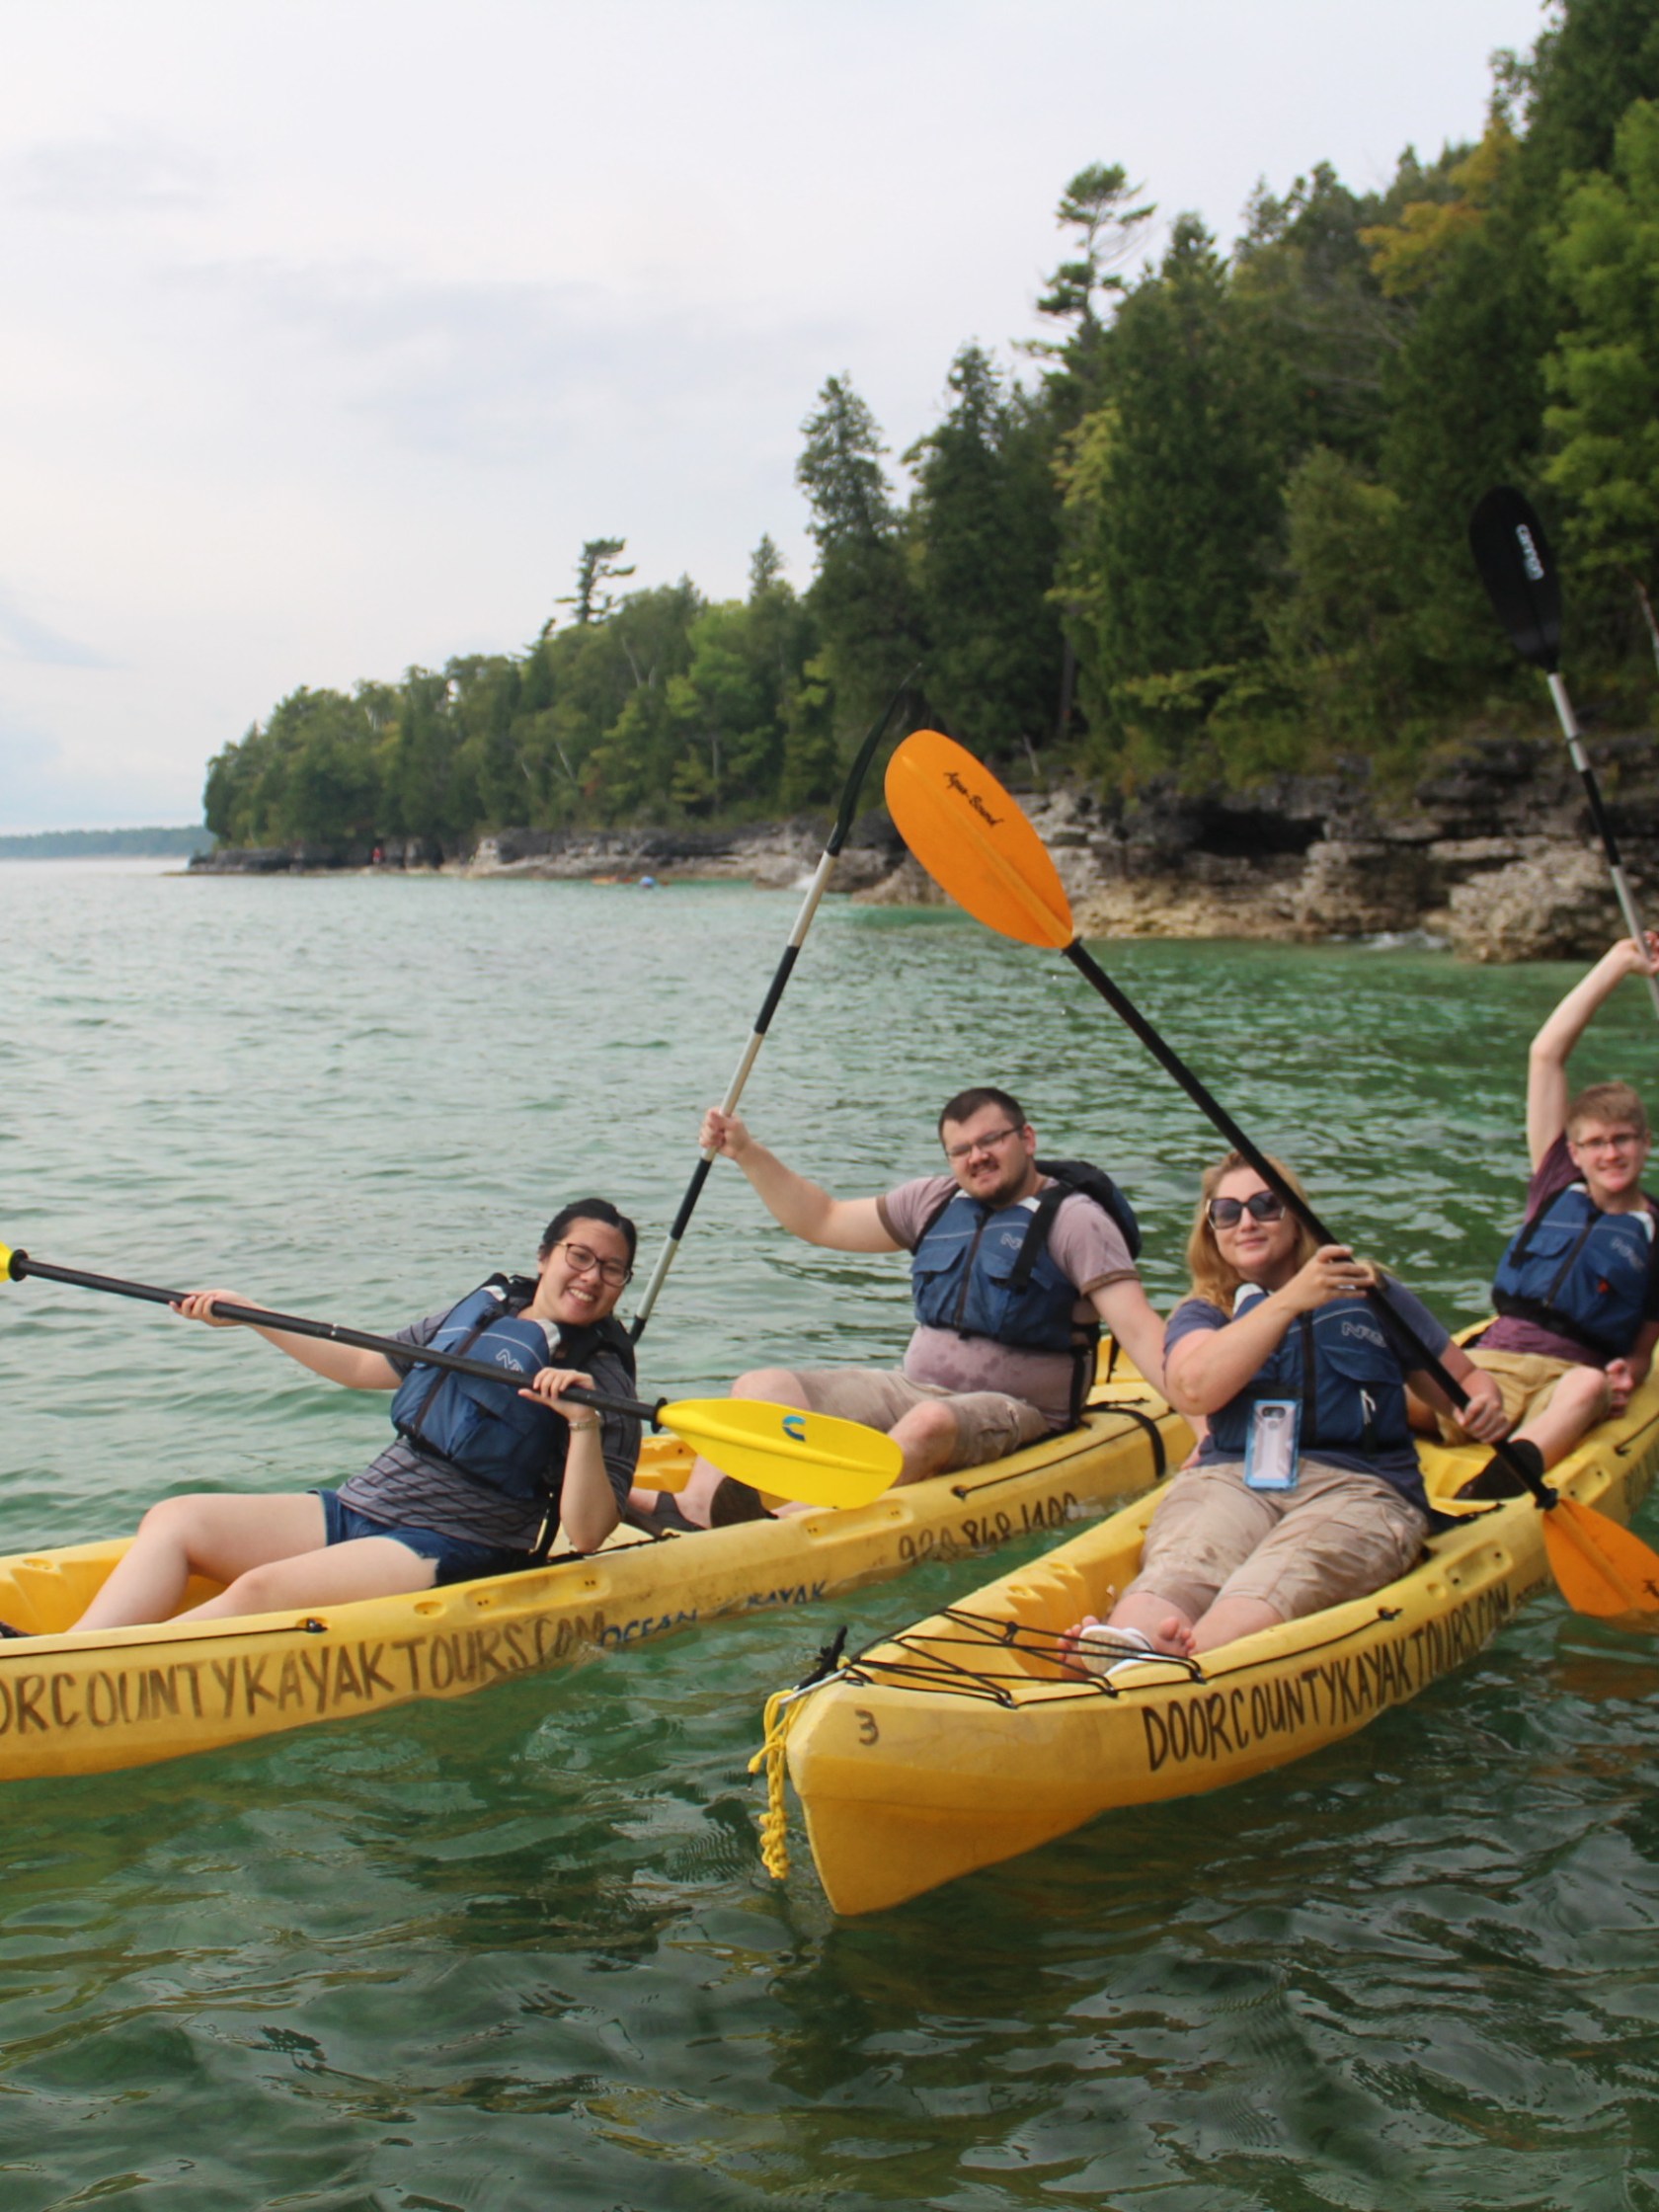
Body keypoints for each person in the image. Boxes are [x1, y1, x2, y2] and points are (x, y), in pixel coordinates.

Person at [59, 1200, 643, 1633]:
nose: (591, 1277)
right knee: (177, 1519)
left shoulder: (602, 1380)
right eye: (579, 1256)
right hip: (365, 1504)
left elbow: (590, 1532)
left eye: (611, 1270)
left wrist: (581, 1421)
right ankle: (69, 1653)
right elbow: (366, 1365)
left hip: (455, 1541)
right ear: (544, 1256)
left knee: (263, 1589)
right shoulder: (484, 1312)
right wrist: (253, 1315)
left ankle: (94, 1676)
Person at [637, 1086, 1166, 1531]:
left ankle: (782, 1530)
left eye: (991, 1140)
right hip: (913, 1389)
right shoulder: (933, 1202)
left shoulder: (1076, 1222)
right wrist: (747, 1152)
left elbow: (1139, 1331)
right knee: (759, 1388)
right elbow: (821, 1219)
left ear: (1026, 1140)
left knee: (930, 1421)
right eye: (960, 1150)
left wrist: (1204, 1423)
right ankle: (694, 1515)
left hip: (1021, 1411)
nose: (976, 1157)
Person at [1065, 1152, 1507, 1666]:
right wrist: (1288, 1301)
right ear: (1212, 1231)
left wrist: (1484, 1404)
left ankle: (1181, 1662)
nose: (1246, 1222)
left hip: (1359, 1487)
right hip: (1233, 1478)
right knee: (1183, 1562)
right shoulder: (1204, 1312)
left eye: (1265, 1205)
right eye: (1227, 1212)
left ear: (1295, 1216)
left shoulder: (1369, 1294)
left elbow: (1466, 1384)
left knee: (1282, 1573)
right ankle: (1128, 1641)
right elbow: (1191, 1389)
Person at [1424, 935, 1659, 1489]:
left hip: (1567, 1379)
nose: (1611, 1154)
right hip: (1492, 1372)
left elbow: (1645, 1344)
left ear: (1646, 1143)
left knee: (1589, 1388)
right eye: (1597, 1143)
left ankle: (1500, 1486)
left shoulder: (1654, 1229)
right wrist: (1620, 961)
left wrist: (1635, 1370)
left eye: (1624, 1140)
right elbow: (1546, 1053)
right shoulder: (1556, 1181)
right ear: (1574, 1152)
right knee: (1395, 1367)